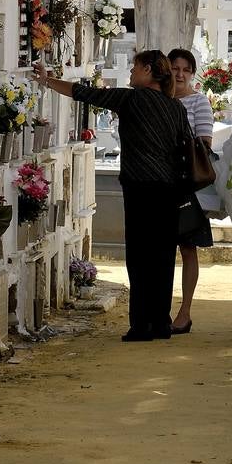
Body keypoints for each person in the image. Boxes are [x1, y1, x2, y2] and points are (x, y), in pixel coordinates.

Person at [33, 50, 190, 342]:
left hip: (141, 188)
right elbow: (185, 146)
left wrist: (47, 81)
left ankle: (141, 325)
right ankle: (160, 322)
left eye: (135, 67)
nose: (131, 72)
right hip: (169, 190)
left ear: (148, 69)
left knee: (140, 257)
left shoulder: (132, 99)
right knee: (163, 257)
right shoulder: (176, 108)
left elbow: (84, 93)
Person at [167, 48, 214, 335]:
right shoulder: (159, 100)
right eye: (175, 68)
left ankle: (184, 311)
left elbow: (205, 143)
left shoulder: (199, 102)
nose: (180, 74)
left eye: (186, 69)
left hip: (186, 186)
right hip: (159, 182)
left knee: (188, 249)